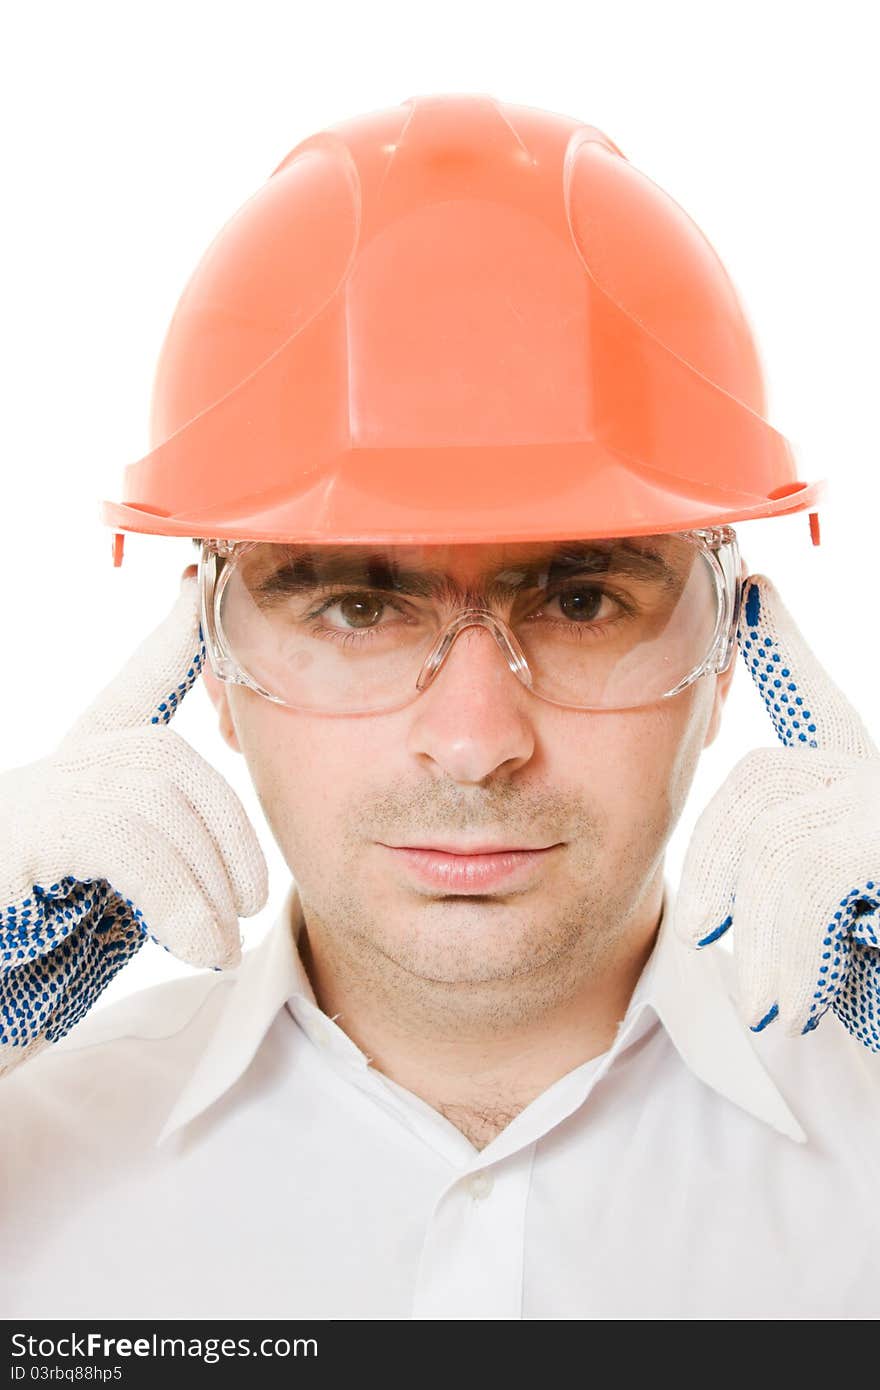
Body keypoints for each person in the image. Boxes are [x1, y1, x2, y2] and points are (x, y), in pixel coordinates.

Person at [1, 93, 877, 1321]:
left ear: (733, 648)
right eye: (359, 608)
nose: (473, 744)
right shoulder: (27, 1148)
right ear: (204, 661)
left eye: (579, 601)